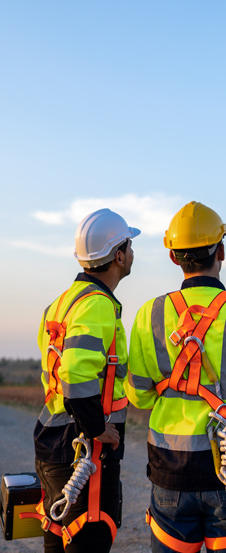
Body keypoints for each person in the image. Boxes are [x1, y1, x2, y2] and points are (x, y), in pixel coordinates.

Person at [125, 201, 226, 553]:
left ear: (173, 257)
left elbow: (138, 396)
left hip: (169, 468)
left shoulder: (147, 315)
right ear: (222, 251)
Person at [32, 208, 140, 553]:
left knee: (57, 538)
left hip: (54, 438)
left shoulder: (61, 303)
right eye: (129, 245)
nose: (133, 253)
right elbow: (76, 374)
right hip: (82, 449)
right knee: (88, 537)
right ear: (119, 256)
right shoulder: (97, 306)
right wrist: (96, 429)